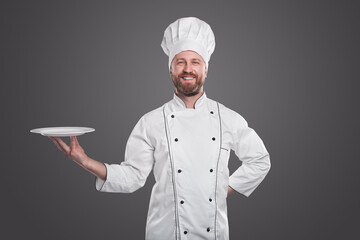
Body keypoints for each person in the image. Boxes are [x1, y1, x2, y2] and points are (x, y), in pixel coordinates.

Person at [50, 17, 271, 240]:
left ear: (205, 69)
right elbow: (132, 176)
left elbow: (260, 160)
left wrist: (222, 190)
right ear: (171, 70)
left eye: (195, 62)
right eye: (180, 62)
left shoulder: (229, 119)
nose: (188, 69)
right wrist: (85, 161)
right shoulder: (150, 122)